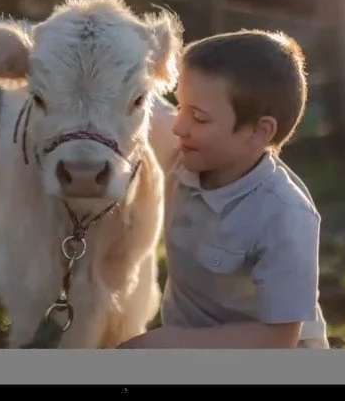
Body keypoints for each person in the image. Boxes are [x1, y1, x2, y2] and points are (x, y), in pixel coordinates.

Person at [118, 30, 328, 349]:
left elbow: (279, 338)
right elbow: (132, 93)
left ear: (259, 131)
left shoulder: (285, 215)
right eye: (180, 107)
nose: (178, 126)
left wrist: (170, 345)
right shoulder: (183, 155)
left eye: (198, 117)